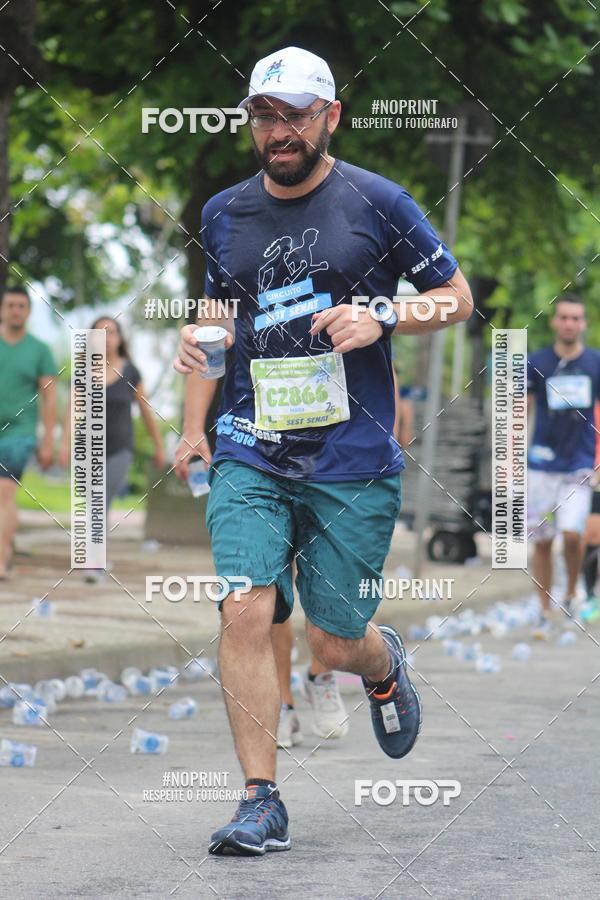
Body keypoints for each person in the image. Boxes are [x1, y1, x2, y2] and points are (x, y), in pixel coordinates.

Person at [174, 46, 472, 856]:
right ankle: (260, 799)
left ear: (330, 116)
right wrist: (195, 414)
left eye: (296, 112)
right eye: (264, 114)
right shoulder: (222, 212)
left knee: (333, 640)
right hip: (251, 446)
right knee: (245, 604)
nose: (279, 129)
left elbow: (456, 296)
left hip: (352, 452)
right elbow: (214, 318)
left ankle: (379, 665)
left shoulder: (378, 202)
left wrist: (382, 313)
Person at [60, 316, 166, 576]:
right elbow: (73, 409)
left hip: (120, 448)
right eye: (99, 333)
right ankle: (94, 559)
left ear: (119, 338)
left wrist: (159, 445)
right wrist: (64, 444)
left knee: (100, 500)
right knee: (92, 502)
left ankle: (93, 563)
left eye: (111, 333)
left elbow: (145, 410)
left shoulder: (131, 372)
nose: (106, 339)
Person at [527, 294, 600, 638]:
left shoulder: (595, 364)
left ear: (583, 324)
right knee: (542, 541)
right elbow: (520, 412)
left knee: (572, 535)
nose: (570, 323)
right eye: (564, 317)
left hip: (580, 463)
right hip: (541, 463)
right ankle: (543, 609)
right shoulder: (536, 361)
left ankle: (572, 591)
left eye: (576, 318)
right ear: (555, 322)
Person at [0, 284, 57, 579]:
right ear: (2, 309)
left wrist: (48, 441)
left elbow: (49, 397)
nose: (15, 311)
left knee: (4, 493)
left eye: (21, 306)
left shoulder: (40, 351)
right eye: (10, 305)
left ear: (28, 311)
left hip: (19, 435)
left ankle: (2, 559)